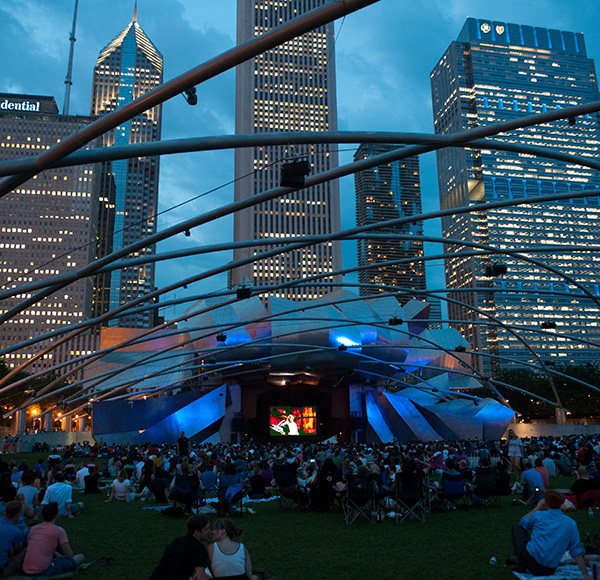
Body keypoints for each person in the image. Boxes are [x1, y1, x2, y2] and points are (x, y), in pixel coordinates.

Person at [509, 490, 591, 579]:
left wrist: (537, 508)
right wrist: (585, 574)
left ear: (545, 503)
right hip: (549, 569)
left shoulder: (539, 515)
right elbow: (575, 551)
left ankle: (520, 564)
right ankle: (521, 563)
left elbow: (522, 523)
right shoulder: (571, 523)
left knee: (517, 528)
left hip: (530, 561)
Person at [22, 502, 85, 577]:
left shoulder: (33, 529)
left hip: (26, 569)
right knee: (80, 557)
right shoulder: (58, 530)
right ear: (56, 515)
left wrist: (54, 552)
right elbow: (69, 555)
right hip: (43, 570)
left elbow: (37, 546)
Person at [148, 514, 211, 580]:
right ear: (196, 532)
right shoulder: (198, 548)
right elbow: (200, 577)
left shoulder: (176, 542)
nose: (209, 531)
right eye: (206, 529)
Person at [0, 501, 28, 578]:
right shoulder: (16, 531)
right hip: (2, 570)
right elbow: (17, 552)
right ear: (18, 515)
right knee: (26, 550)